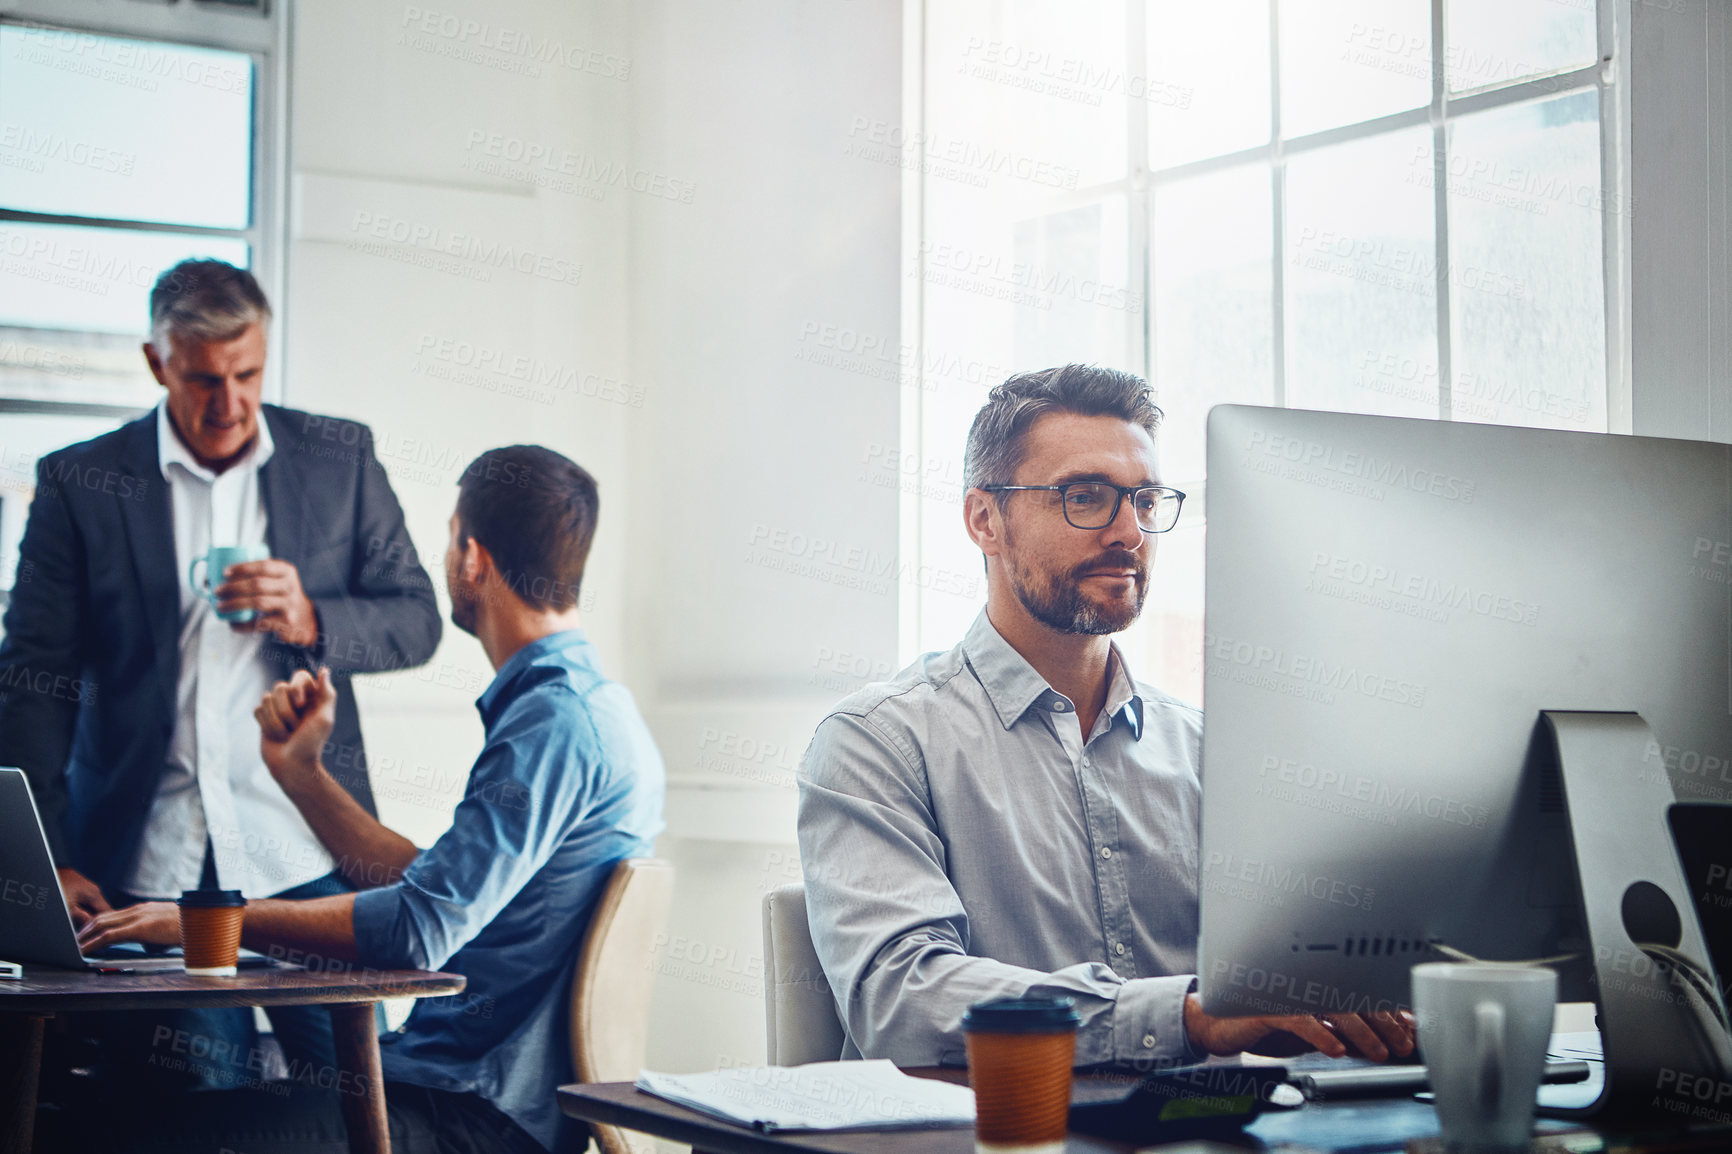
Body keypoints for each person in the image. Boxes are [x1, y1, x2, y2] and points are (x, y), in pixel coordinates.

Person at [796, 364, 1416, 1067]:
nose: (1128, 530)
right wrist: (1184, 1017)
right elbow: (901, 998)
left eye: (1145, 500)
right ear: (984, 520)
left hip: (1210, 1134)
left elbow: (1287, 975)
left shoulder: (1211, 752)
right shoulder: (878, 742)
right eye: (1085, 497)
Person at [75, 445, 667, 1154]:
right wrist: (301, 773)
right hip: (444, 1091)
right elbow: (429, 886)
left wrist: (210, 923)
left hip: (473, 1116)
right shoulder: (582, 710)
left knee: (124, 1135)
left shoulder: (558, 725)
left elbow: (418, 929)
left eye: (450, 538)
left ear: (472, 558)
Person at [0, 258, 441, 1085]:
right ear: (156, 362)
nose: (229, 403)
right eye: (204, 378)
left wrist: (315, 617)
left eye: (247, 373)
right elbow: (31, 684)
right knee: (199, 1096)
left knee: (356, 1096)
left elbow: (417, 621)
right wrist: (49, 858)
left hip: (308, 856)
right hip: (149, 860)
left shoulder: (339, 458)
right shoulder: (79, 483)